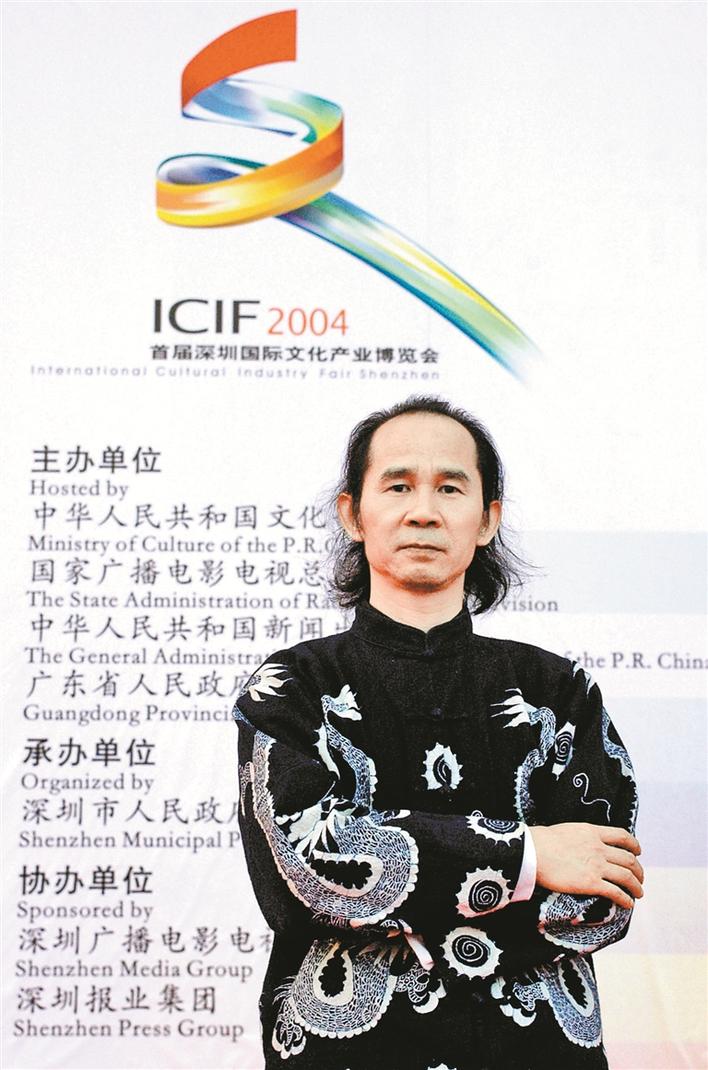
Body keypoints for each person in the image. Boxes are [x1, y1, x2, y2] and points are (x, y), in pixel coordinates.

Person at [233, 396, 642, 1070]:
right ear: (353, 514)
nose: (423, 511)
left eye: (450, 488)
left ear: (487, 520)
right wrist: (528, 857)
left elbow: (603, 896)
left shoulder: (558, 689)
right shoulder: (291, 685)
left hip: (535, 1049)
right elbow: (302, 875)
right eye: (397, 486)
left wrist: (395, 892)